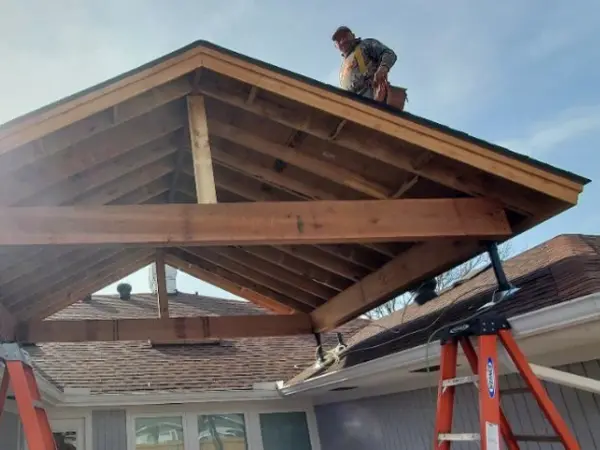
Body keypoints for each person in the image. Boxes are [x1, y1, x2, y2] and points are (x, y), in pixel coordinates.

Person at [332, 26, 397, 102]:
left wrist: (382, 69)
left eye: (344, 36)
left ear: (352, 35)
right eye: (338, 40)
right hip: (353, 106)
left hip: (373, 97)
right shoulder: (342, 67)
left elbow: (389, 54)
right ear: (336, 46)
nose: (342, 41)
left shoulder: (364, 45)